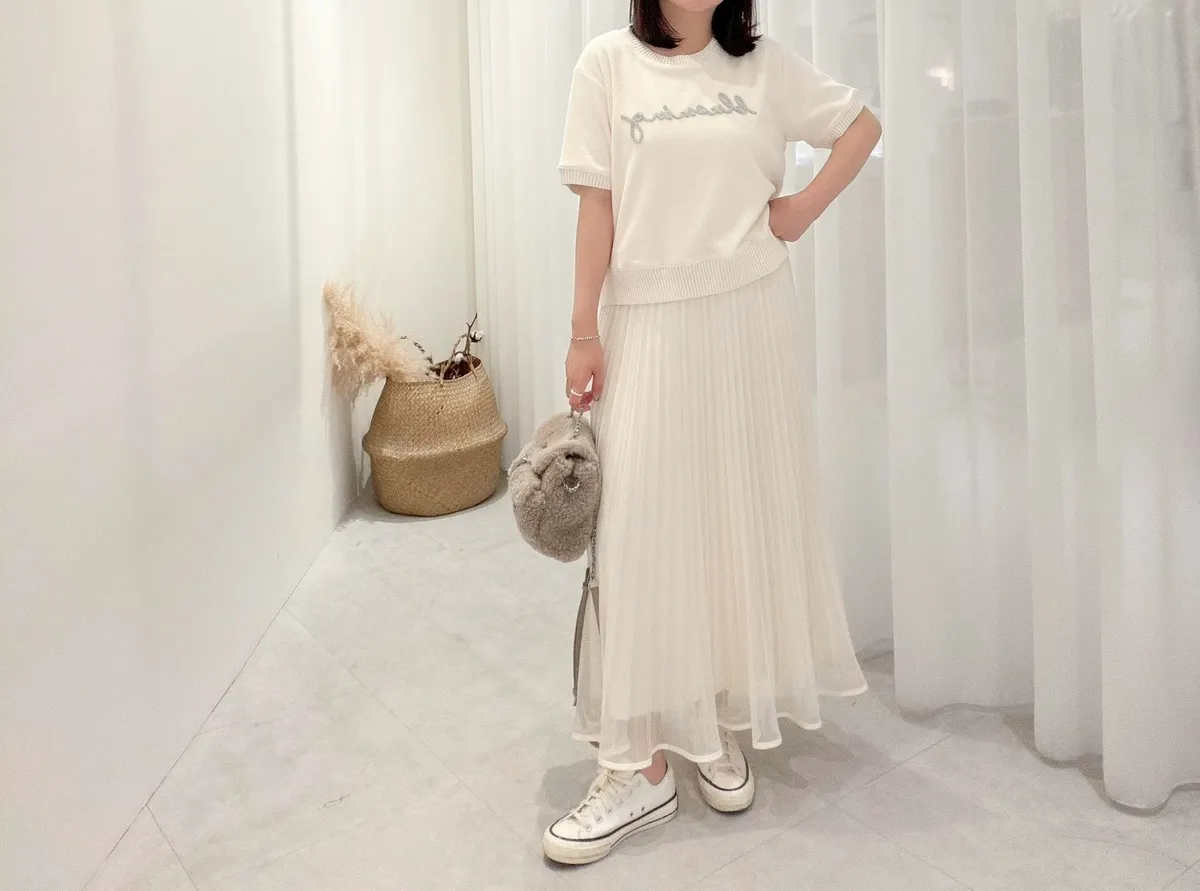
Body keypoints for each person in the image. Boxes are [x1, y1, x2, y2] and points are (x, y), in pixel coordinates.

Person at [544, 0, 882, 865]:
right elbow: (596, 209)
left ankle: (711, 719)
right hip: (648, 320)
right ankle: (638, 763)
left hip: (748, 317)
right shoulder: (606, 64)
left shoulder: (764, 65)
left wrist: (798, 210)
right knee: (640, 536)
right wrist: (583, 329)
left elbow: (860, 126)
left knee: (731, 523)